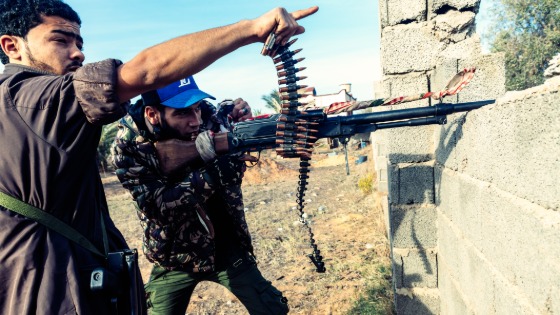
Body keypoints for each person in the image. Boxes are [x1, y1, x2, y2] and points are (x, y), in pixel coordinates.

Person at [0, 0, 318, 314]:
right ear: (12, 46)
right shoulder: (35, 99)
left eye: (79, 42)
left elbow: (224, 125)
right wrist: (251, 29)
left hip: (223, 249)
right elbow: (147, 72)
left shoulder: (24, 112)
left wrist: (237, 126)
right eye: (60, 39)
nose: (78, 53)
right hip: (164, 260)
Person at [111, 77, 289, 315]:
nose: (195, 121)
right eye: (183, 113)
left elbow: (221, 116)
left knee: (271, 309)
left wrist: (235, 111)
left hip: (225, 246)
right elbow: (156, 204)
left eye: (197, 109)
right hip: (174, 257)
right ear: (153, 115)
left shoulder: (205, 116)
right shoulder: (129, 145)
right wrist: (213, 175)